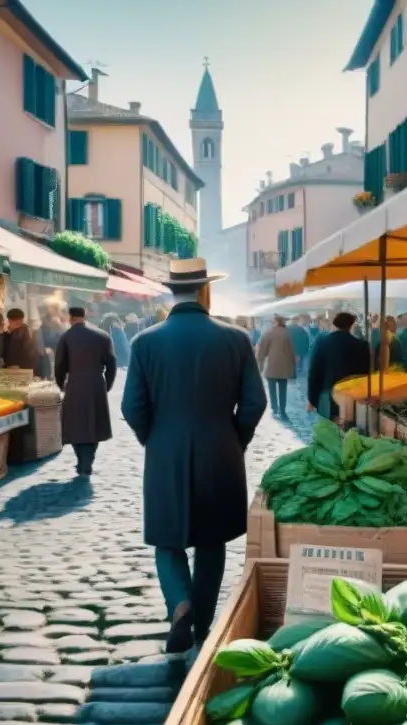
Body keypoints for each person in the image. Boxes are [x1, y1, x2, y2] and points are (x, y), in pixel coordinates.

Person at [121, 258, 266, 652]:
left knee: (167, 540)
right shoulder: (236, 339)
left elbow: (132, 408)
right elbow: (254, 403)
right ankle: (201, 619)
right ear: (205, 290)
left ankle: (180, 606)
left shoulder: (145, 342)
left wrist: (155, 438)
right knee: (212, 540)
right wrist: (236, 438)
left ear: (172, 292)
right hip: (220, 449)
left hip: (165, 449)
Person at [54, 307, 117, 477]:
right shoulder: (102, 336)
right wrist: (107, 385)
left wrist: (61, 385)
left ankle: (82, 460)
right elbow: (112, 363)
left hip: (74, 385)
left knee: (76, 425)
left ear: (70, 318)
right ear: (85, 316)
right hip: (97, 385)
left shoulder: (66, 337)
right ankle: (88, 461)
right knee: (94, 424)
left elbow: (59, 365)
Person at [307, 311, 372, 419]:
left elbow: (314, 371)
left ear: (334, 324)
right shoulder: (362, 345)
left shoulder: (322, 342)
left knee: (329, 428)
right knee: (349, 427)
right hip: (352, 395)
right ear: (351, 325)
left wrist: (312, 399)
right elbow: (366, 373)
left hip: (328, 393)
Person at [256, 315, 296, 417]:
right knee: (283, 390)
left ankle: (274, 408)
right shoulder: (287, 333)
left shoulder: (268, 332)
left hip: (271, 366)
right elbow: (291, 351)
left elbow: (262, 350)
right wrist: (293, 365)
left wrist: (260, 363)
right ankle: (282, 410)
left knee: (272, 389)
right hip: (284, 367)